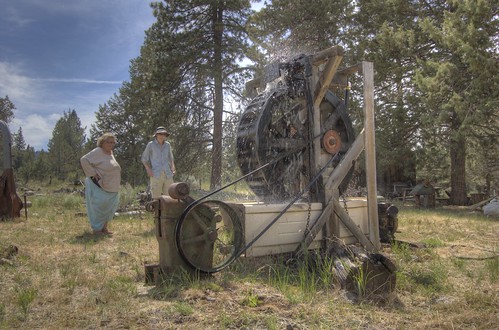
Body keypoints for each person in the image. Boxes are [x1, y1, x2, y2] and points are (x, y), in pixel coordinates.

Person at [80, 133, 121, 235]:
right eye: (108, 142)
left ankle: (104, 228)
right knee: (99, 206)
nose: (111, 144)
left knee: (109, 207)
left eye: (113, 142)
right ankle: (97, 229)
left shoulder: (111, 153)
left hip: (112, 185)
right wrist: (92, 173)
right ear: (102, 142)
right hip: (100, 185)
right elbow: (84, 160)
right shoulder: (98, 151)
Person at [141, 126, 175, 199]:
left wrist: (173, 167)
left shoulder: (167, 145)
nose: (162, 136)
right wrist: (148, 169)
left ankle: (166, 211)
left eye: (164, 134)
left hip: (168, 174)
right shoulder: (151, 144)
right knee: (156, 198)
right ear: (156, 135)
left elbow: (171, 157)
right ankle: (157, 210)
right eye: (160, 134)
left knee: (170, 197)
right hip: (156, 174)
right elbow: (144, 159)